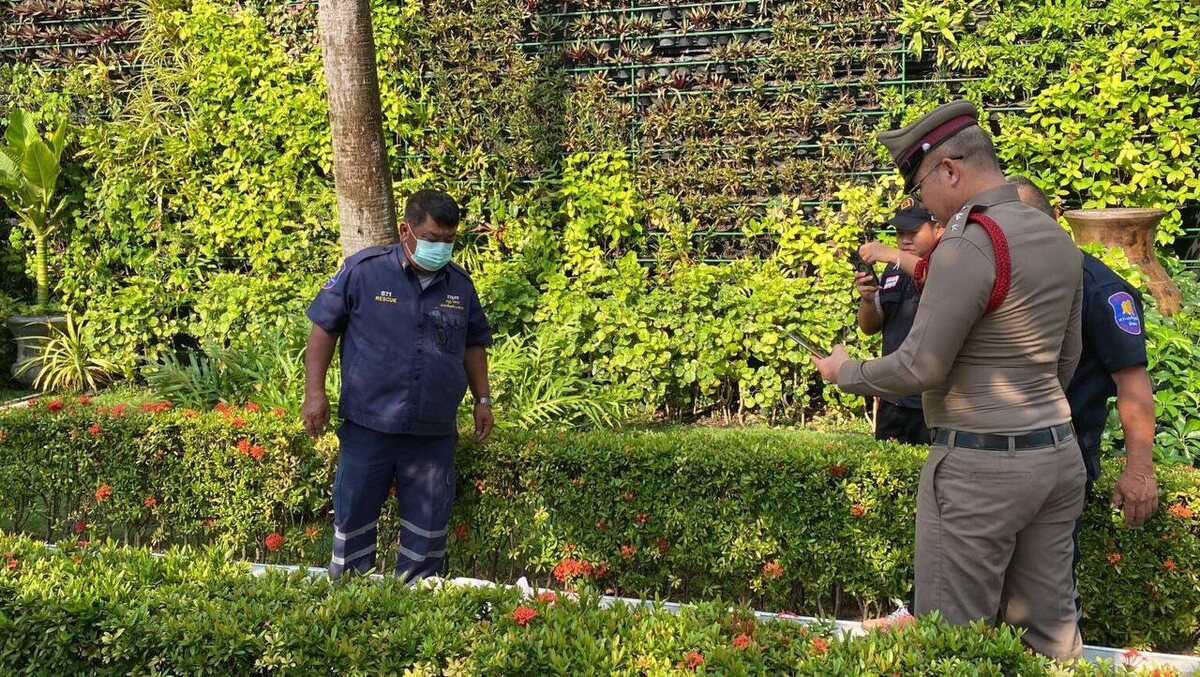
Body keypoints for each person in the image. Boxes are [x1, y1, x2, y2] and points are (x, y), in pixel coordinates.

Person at [811, 100, 1087, 659]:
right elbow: (1067, 358)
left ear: (950, 170)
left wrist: (846, 372)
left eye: (919, 188)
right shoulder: (1054, 236)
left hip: (982, 469)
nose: (922, 205)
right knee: (1050, 638)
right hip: (1057, 457)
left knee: (952, 642)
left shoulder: (970, 243)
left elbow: (920, 366)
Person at [302, 189, 495, 581]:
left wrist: (483, 399)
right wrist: (314, 392)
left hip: (431, 432)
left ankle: (416, 604)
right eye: (432, 238)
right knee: (353, 526)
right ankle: (350, 600)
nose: (441, 248)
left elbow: (473, 345)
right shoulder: (364, 271)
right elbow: (323, 329)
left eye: (449, 240)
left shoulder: (460, 285)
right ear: (406, 230)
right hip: (368, 426)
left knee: (427, 537)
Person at [854, 197, 943, 445]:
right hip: (893, 400)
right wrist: (868, 299)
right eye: (900, 233)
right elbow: (869, 327)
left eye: (913, 232)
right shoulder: (892, 270)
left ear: (938, 228)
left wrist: (892, 254)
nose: (904, 240)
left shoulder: (948, 263)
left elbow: (934, 277)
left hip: (931, 404)